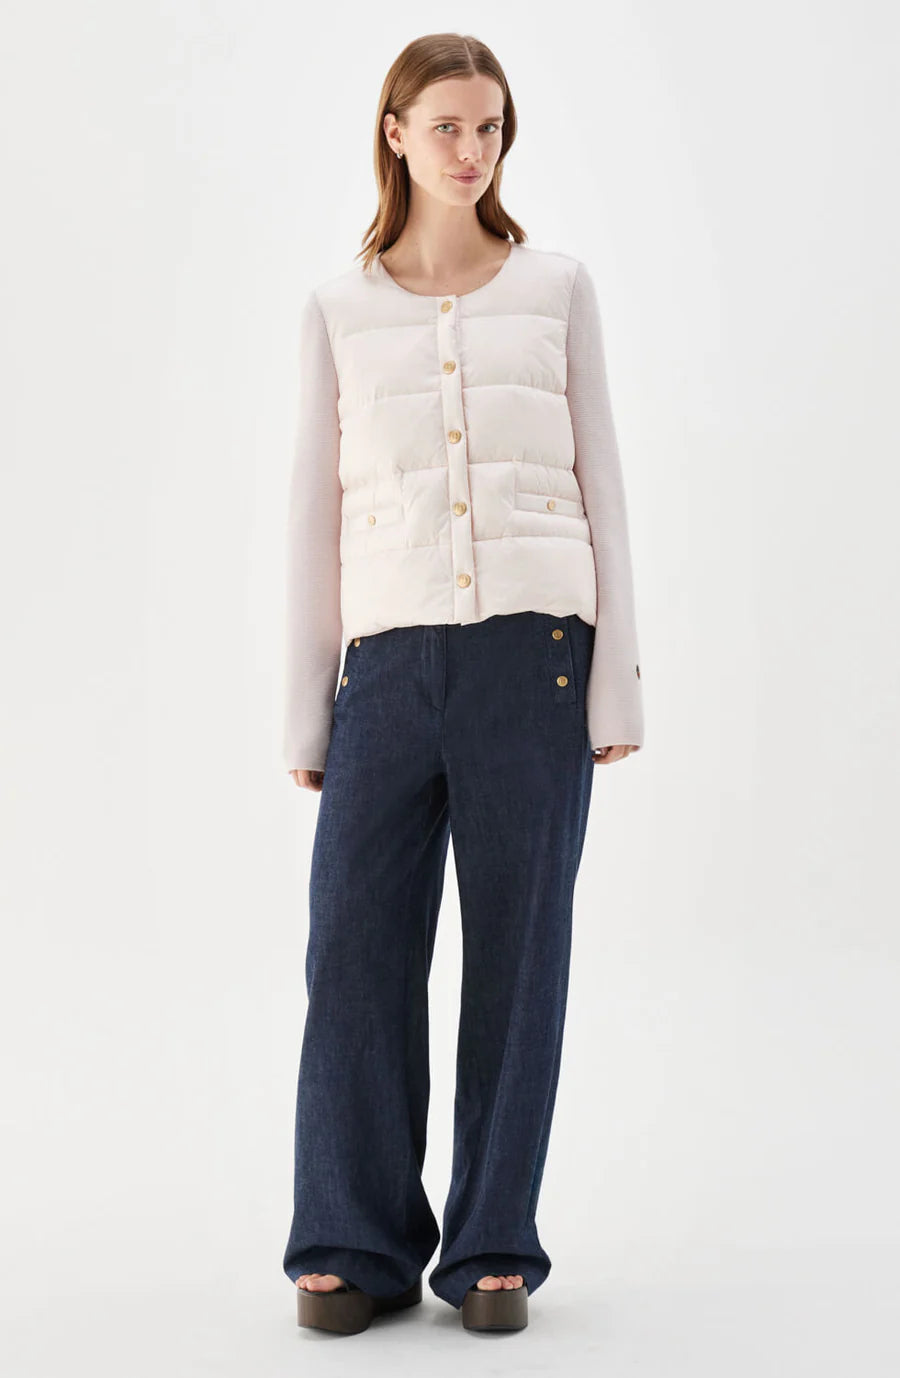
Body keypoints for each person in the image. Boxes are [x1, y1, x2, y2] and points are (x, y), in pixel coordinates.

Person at [281, 32, 645, 1336]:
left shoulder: (555, 288)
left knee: (519, 957)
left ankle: (493, 1241)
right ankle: (353, 1237)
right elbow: (315, 517)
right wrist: (307, 709)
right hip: (384, 669)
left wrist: (617, 686)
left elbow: (603, 483)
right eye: (446, 125)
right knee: (355, 951)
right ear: (395, 132)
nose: (471, 149)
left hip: (533, 662)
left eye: (489, 126)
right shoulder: (341, 308)